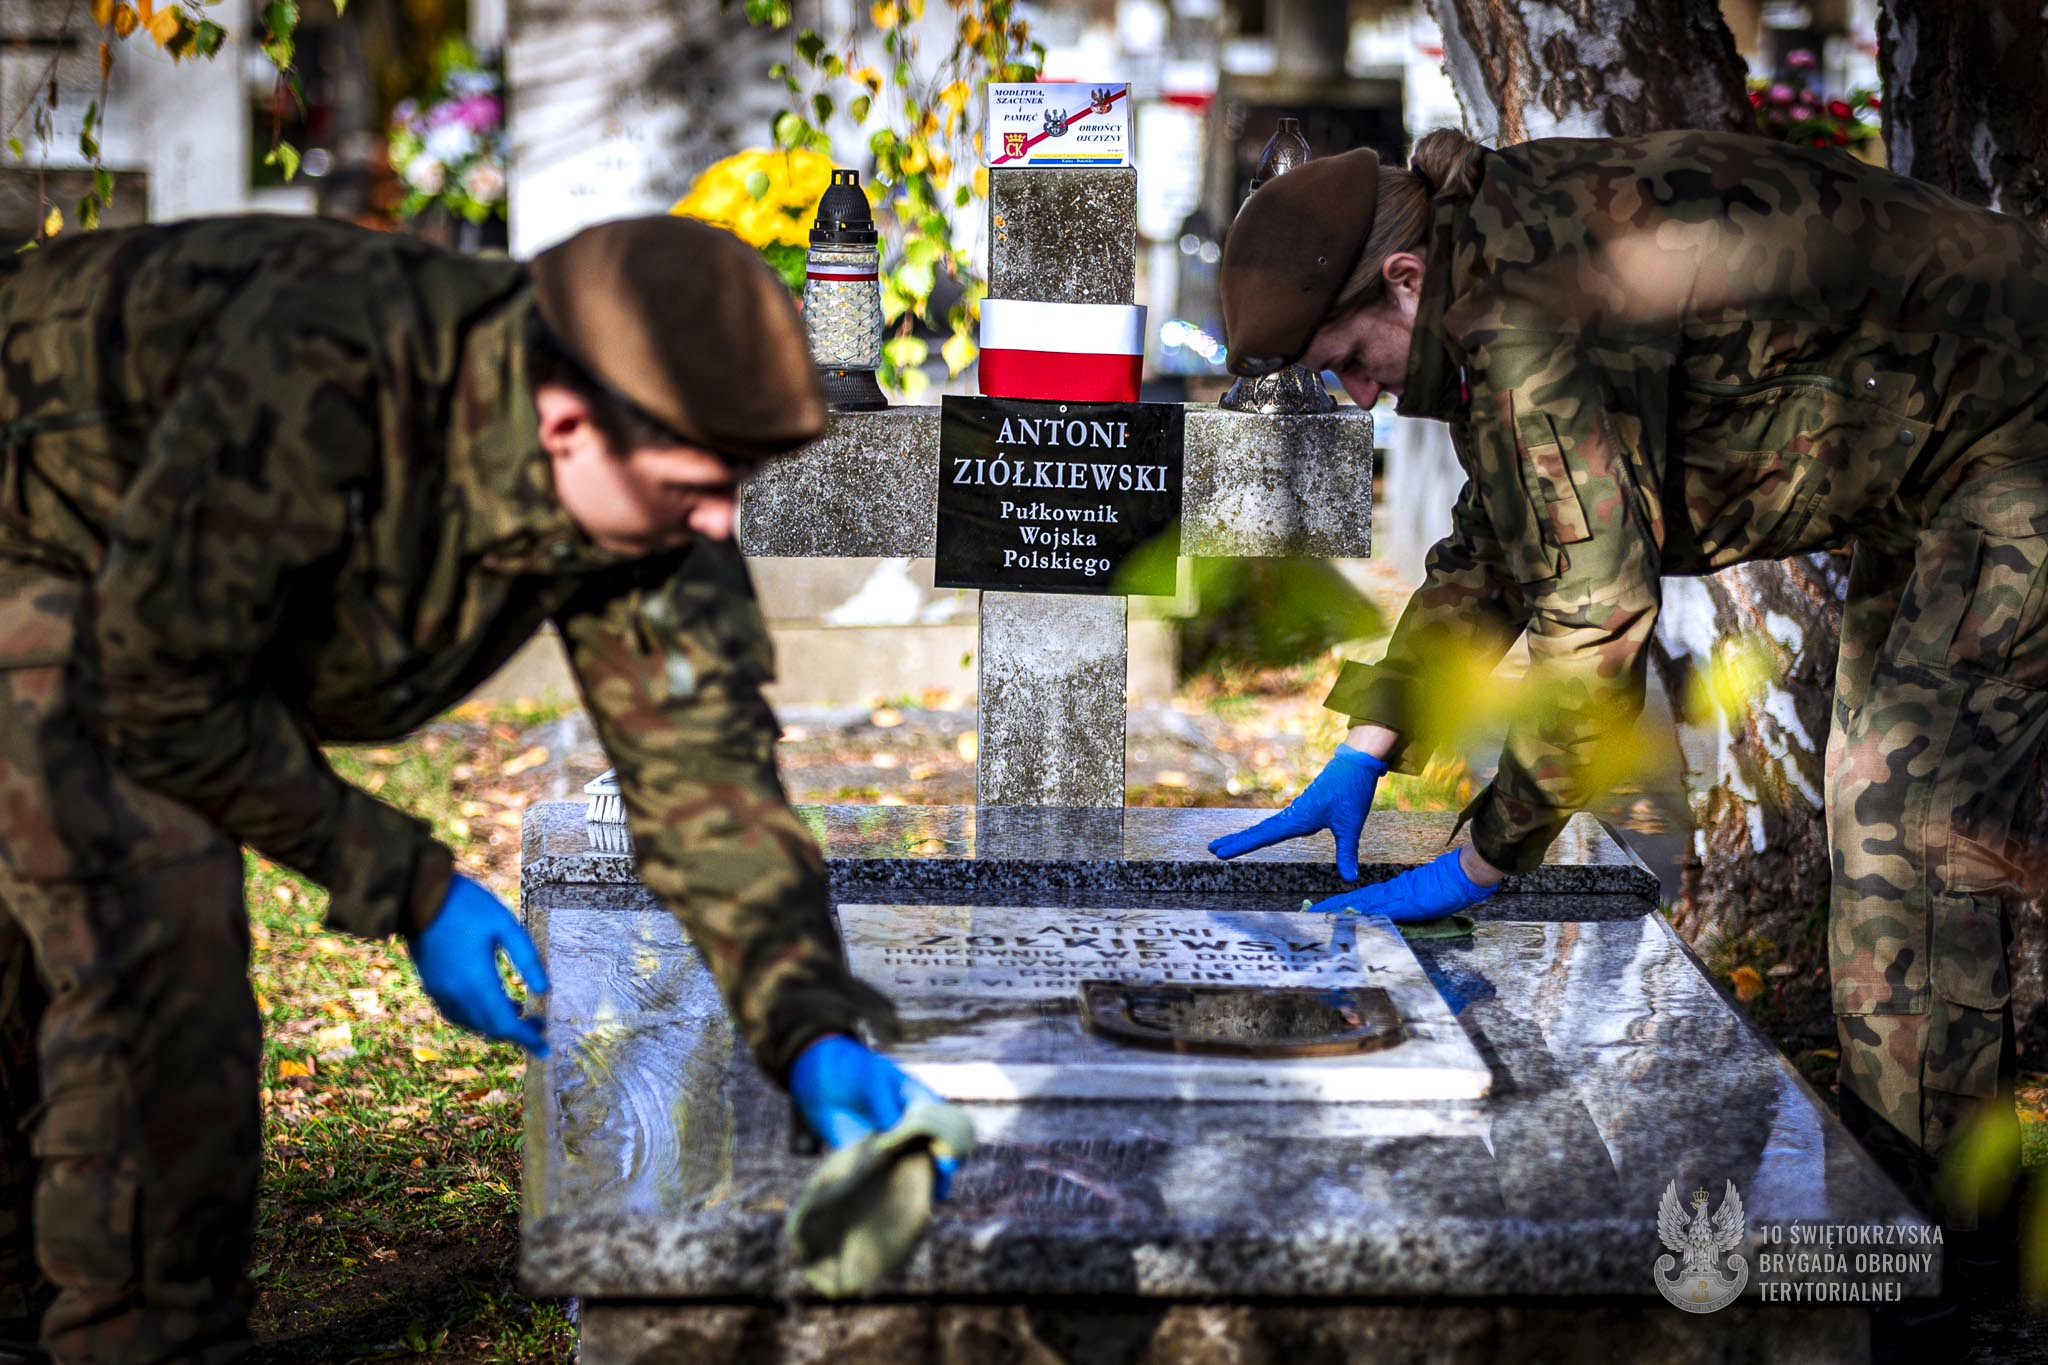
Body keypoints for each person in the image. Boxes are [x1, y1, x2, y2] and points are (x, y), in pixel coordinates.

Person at [0, 214, 935, 1362]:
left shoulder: (635, 461)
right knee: (147, 920)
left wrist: (805, 1025)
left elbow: (711, 787)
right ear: (563, 421)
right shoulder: (323, 373)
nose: (715, 524)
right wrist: (413, 887)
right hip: (40, 537)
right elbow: (155, 687)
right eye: (696, 485)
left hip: (165, 582)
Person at [1211, 129, 2047, 1246]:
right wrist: (1368, 741)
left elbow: (1595, 616)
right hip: (1936, 457)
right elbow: (1503, 536)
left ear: (1402, 278)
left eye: (1349, 360)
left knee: (1904, 827)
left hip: (2012, 436)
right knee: (1880, 816)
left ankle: (1933, 1246)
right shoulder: (1486, 253)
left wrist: (1480, 859)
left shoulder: (1520, 320)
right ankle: (1899, 1188)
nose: (1357, 396)